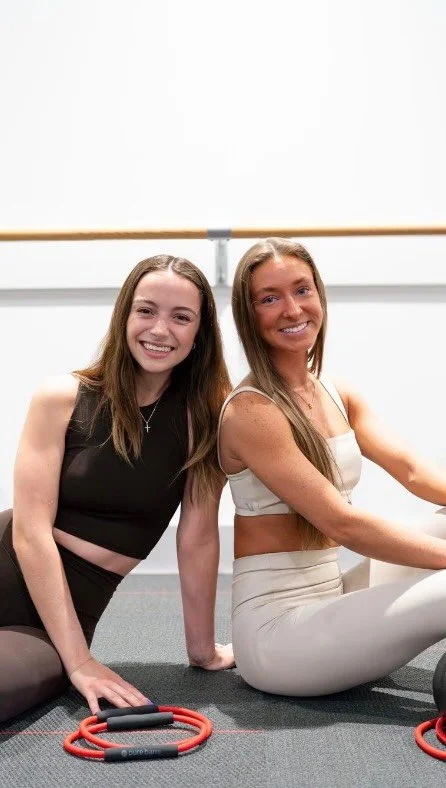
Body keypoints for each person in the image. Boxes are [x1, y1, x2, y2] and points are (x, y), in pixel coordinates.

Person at [0, 254, 234, 723]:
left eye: (181, 317)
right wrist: (80, 661)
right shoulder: (61, 396)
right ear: (125, 314)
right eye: (146, 310)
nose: (160, 329)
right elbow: (29, 533)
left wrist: (203, 651)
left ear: (200, 332)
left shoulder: (207, 417)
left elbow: (197, 537)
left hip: (63, 615)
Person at [218, 237, 446, 697]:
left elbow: (413, 472)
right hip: (280, 637)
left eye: (302, 290)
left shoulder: (336, 391)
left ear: (319, 295)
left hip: (333, 597)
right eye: (269, 298)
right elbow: (343, 524)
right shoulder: (250, 411)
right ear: (249, 314)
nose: (292, 309)